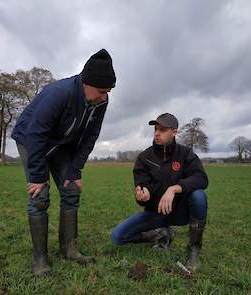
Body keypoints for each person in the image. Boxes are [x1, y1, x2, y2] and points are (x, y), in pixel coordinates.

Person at [12, 49, 116, 276]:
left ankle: (69, 249)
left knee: (71, 191)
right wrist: (39, 177)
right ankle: (40, 259)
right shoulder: (59, 93)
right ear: (86, 83)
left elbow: (90, 137)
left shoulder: (100, 101)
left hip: (61, 144)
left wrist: (75, 170)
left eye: (108, 92)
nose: (104, 96)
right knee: (40, 196)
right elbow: (36, 133)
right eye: (101, 91)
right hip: (31, 139)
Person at [111, 113, 208, 272]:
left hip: (181, 212)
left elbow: (201, 179)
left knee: (199, 196)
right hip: (156, 213)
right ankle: (160, 234)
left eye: (162, 130)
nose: (157, 133)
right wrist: (143, 196)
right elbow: (141, 189)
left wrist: (174, 188)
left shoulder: (185, 154)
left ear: (174, 132)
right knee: (117, 237)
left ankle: (193, 251)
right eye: (156, 129)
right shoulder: (144, 158)